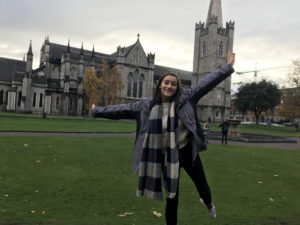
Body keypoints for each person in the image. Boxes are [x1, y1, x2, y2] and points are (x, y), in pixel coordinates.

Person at [92, 52, 235, 225]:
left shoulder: (187, 97)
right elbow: (121, 109)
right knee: (172, 198)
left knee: (203, 188)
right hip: (167, 157)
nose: (169, 86)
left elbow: (207, 82)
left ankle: (208, 204)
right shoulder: (146, 105)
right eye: (166, 83)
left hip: (187, 152)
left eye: (173, 84)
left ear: (177, 87)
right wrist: (97, 111)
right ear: (160, 85)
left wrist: (228, 66)